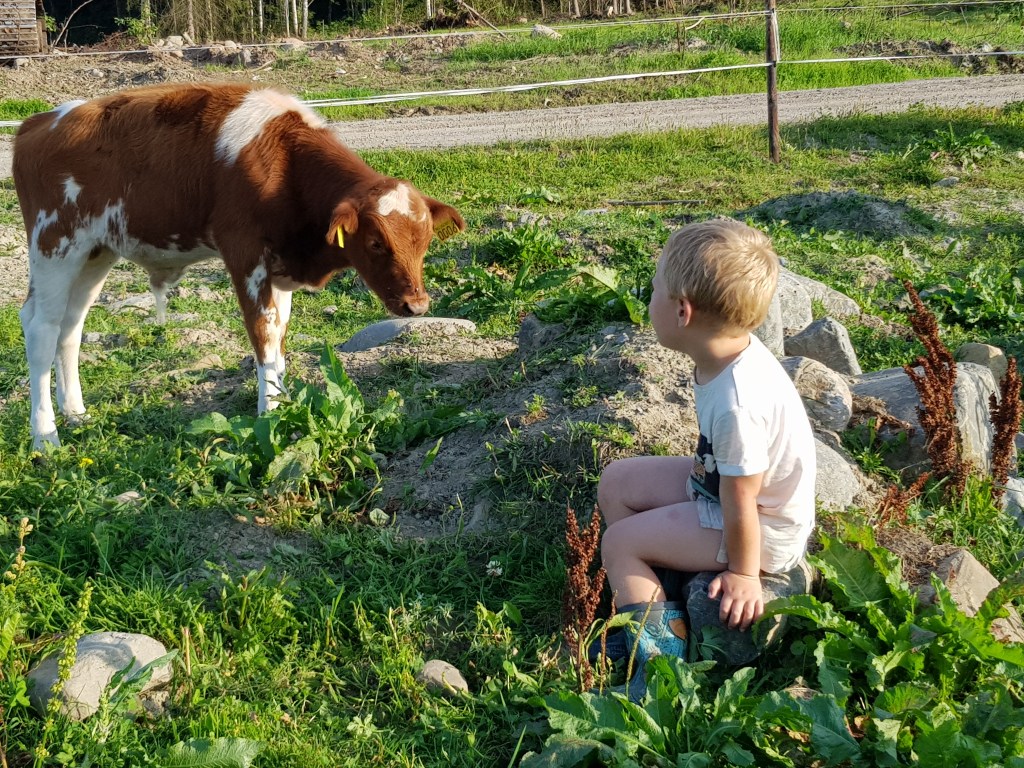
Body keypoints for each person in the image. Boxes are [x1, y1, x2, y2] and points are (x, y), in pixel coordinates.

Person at [594, 218, 816, 701]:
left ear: (682, 311)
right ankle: (656, 599)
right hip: (718, 487)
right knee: (617, 482)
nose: (648, 298)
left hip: (761, 526)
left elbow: (742, 500)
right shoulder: (729, 351)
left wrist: (743, 574)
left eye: (654, 289)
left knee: (619, 542)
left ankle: (658, 667)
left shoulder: (739, 405)